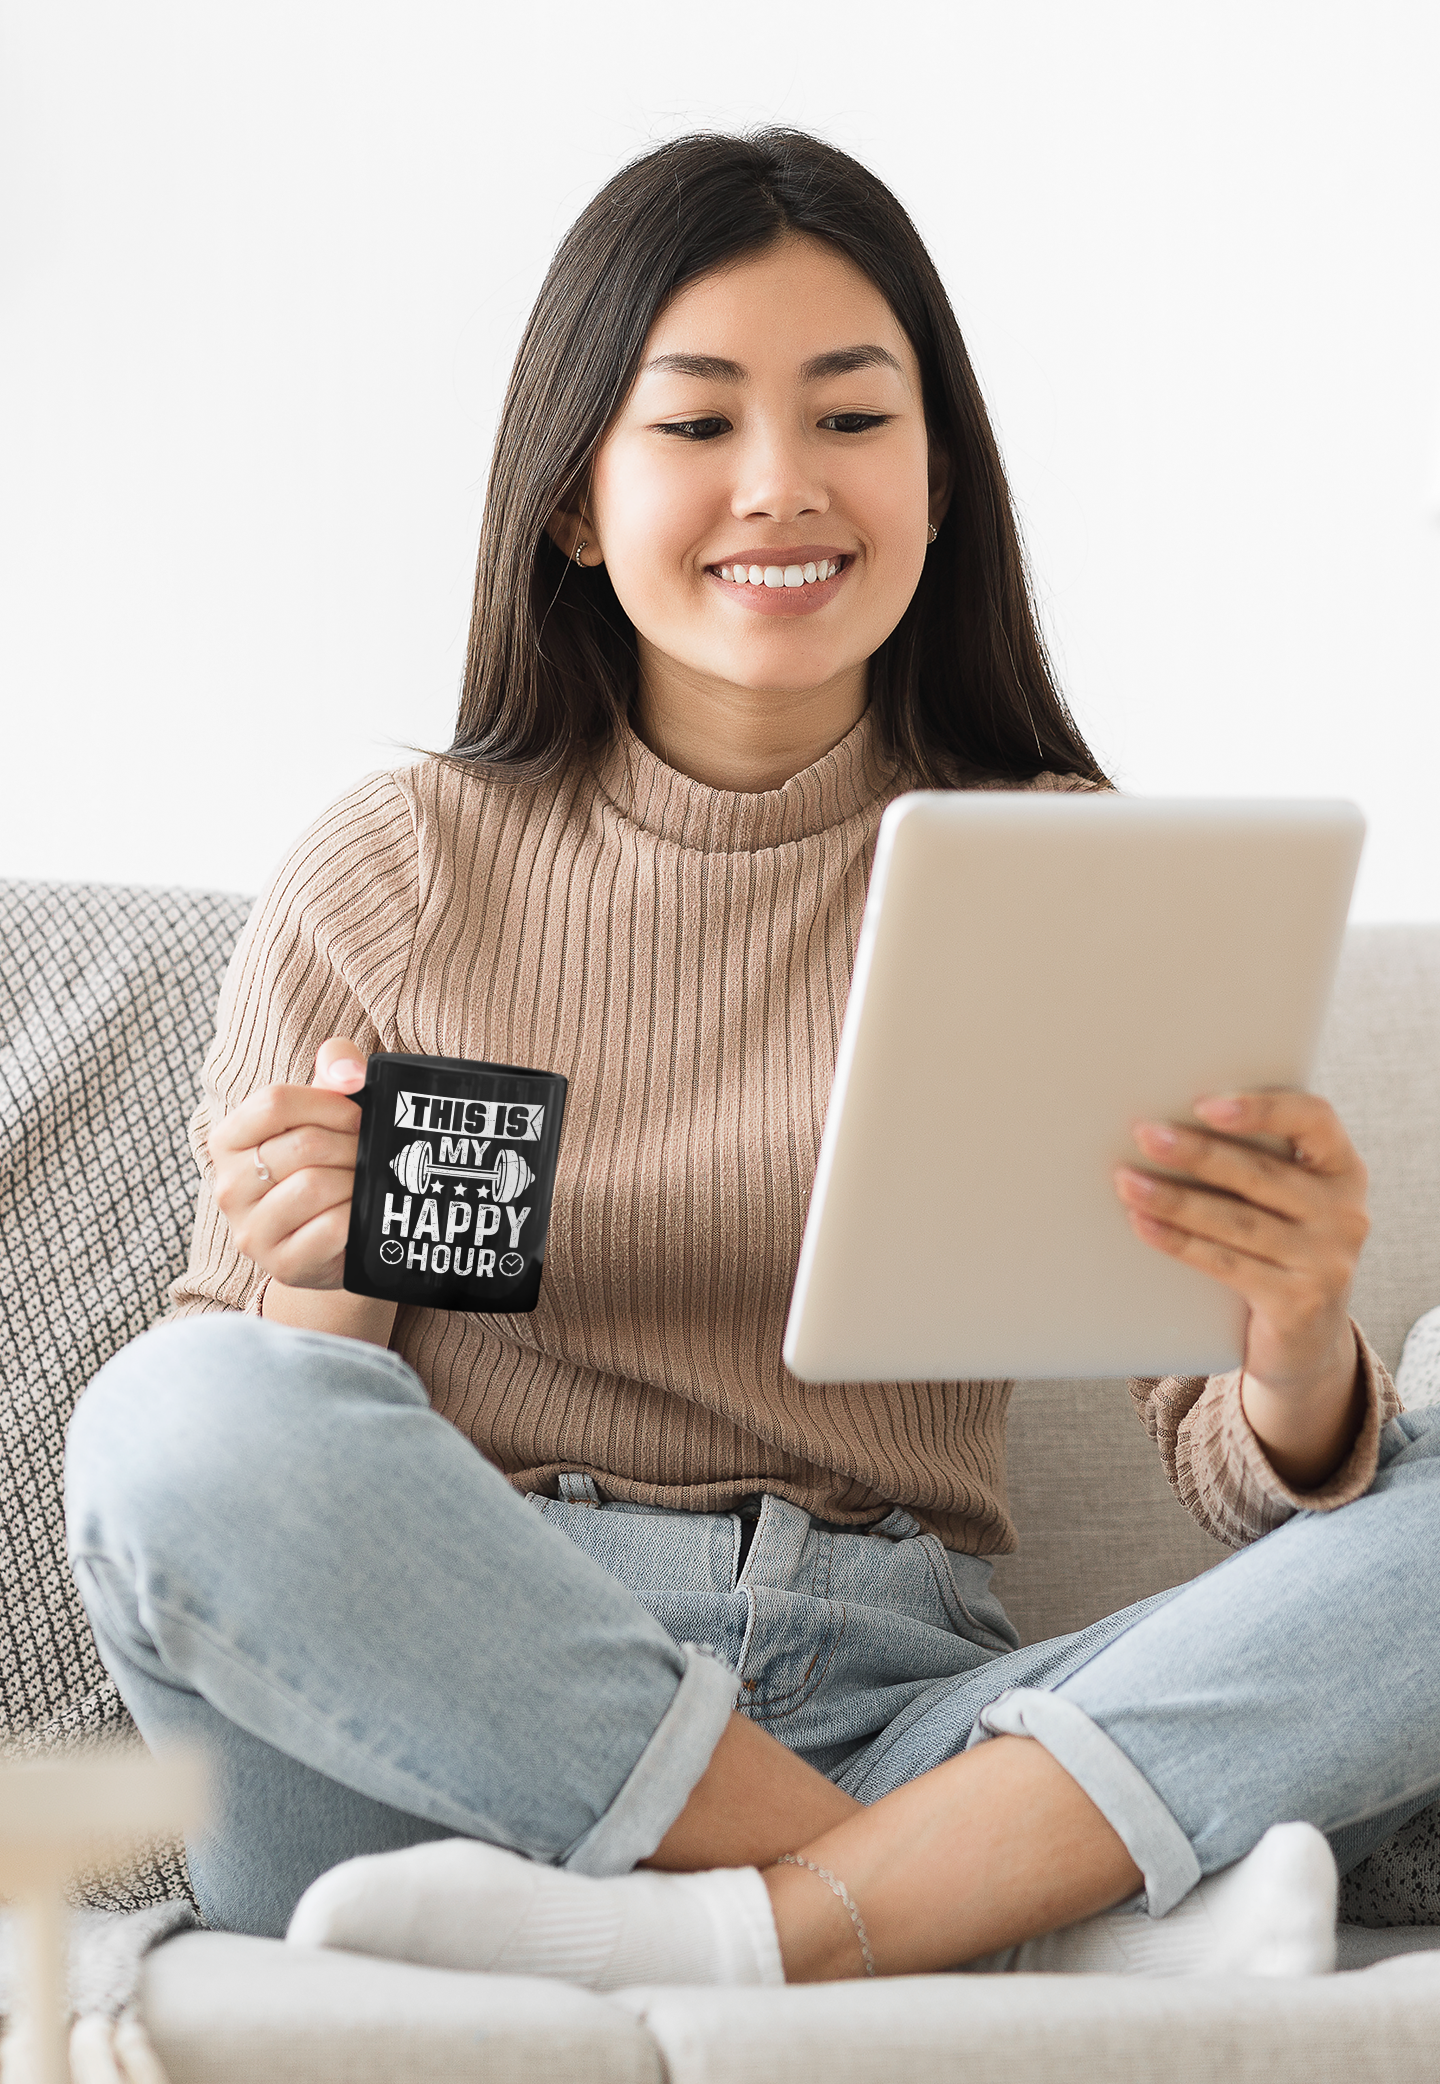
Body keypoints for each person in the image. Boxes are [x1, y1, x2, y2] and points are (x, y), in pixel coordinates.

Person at [65, 128, 1440, 1987]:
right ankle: (971, 1913)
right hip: (451, 1746)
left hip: (899, 1697)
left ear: (939, 475)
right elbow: (255, 1483)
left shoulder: (1058, 864)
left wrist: (1292, 1347)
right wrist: (314, 1291)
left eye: (852, 420)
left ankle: (789, 1919)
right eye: (696, 424)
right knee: (171, 1411)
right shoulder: (392, 870)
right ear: (572, 498)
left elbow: (1231, 1457)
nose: (779, 486)